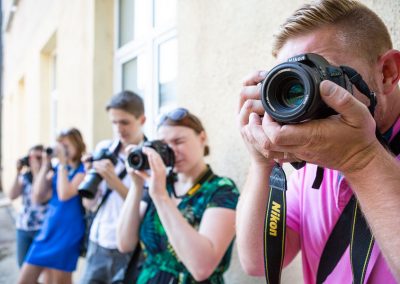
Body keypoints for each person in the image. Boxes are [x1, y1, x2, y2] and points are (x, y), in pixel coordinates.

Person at [236, 0, 400, 283]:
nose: (305, 99)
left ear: (387, 73)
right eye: (294, 81)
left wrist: (362, 160)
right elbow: (255, 261)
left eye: (321, 73)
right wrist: (262, 162)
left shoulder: (334, 150)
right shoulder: (312, 163)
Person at [117, 107, 240, 283]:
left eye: (179, 141)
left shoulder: (221, 190)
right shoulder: (161, 183)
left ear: (202, 138)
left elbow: (201, 268)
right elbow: (124, 243)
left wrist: (160, 197)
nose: (171, 151)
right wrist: (137, 186)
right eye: (164, 145)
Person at [80, 90, 146, 284]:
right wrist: (89, 177)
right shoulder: (104, 149)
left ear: (142, 119)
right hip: (98, 243)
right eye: (114, 122)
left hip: (129, 249)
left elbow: (145, 207)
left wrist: (113, 181)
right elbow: (89, 204)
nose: (118, 129)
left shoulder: (149, 156)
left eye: (124, 122)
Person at [18, 128, 87, 284]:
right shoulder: (58, 169)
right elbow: (37, 196)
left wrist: (62, 164)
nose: (63, 150)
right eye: (60, 146)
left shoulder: (83, 169)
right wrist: (44, 165)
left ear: (77, 145)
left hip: (68, 231)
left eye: (66, 146)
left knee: (59, 281)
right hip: (49, 228)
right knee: (24, 279)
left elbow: (64, 194)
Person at [8, 145, 48, 267]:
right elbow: (12, 195)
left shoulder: (49, 176)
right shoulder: (24, 177)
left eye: (38, 157)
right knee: (23, 266)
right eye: (31, 158)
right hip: (23, 227)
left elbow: (38, 197)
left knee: (42, 269)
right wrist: (17, 172)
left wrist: (37, 172)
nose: (34, 161)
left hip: (42, 228)